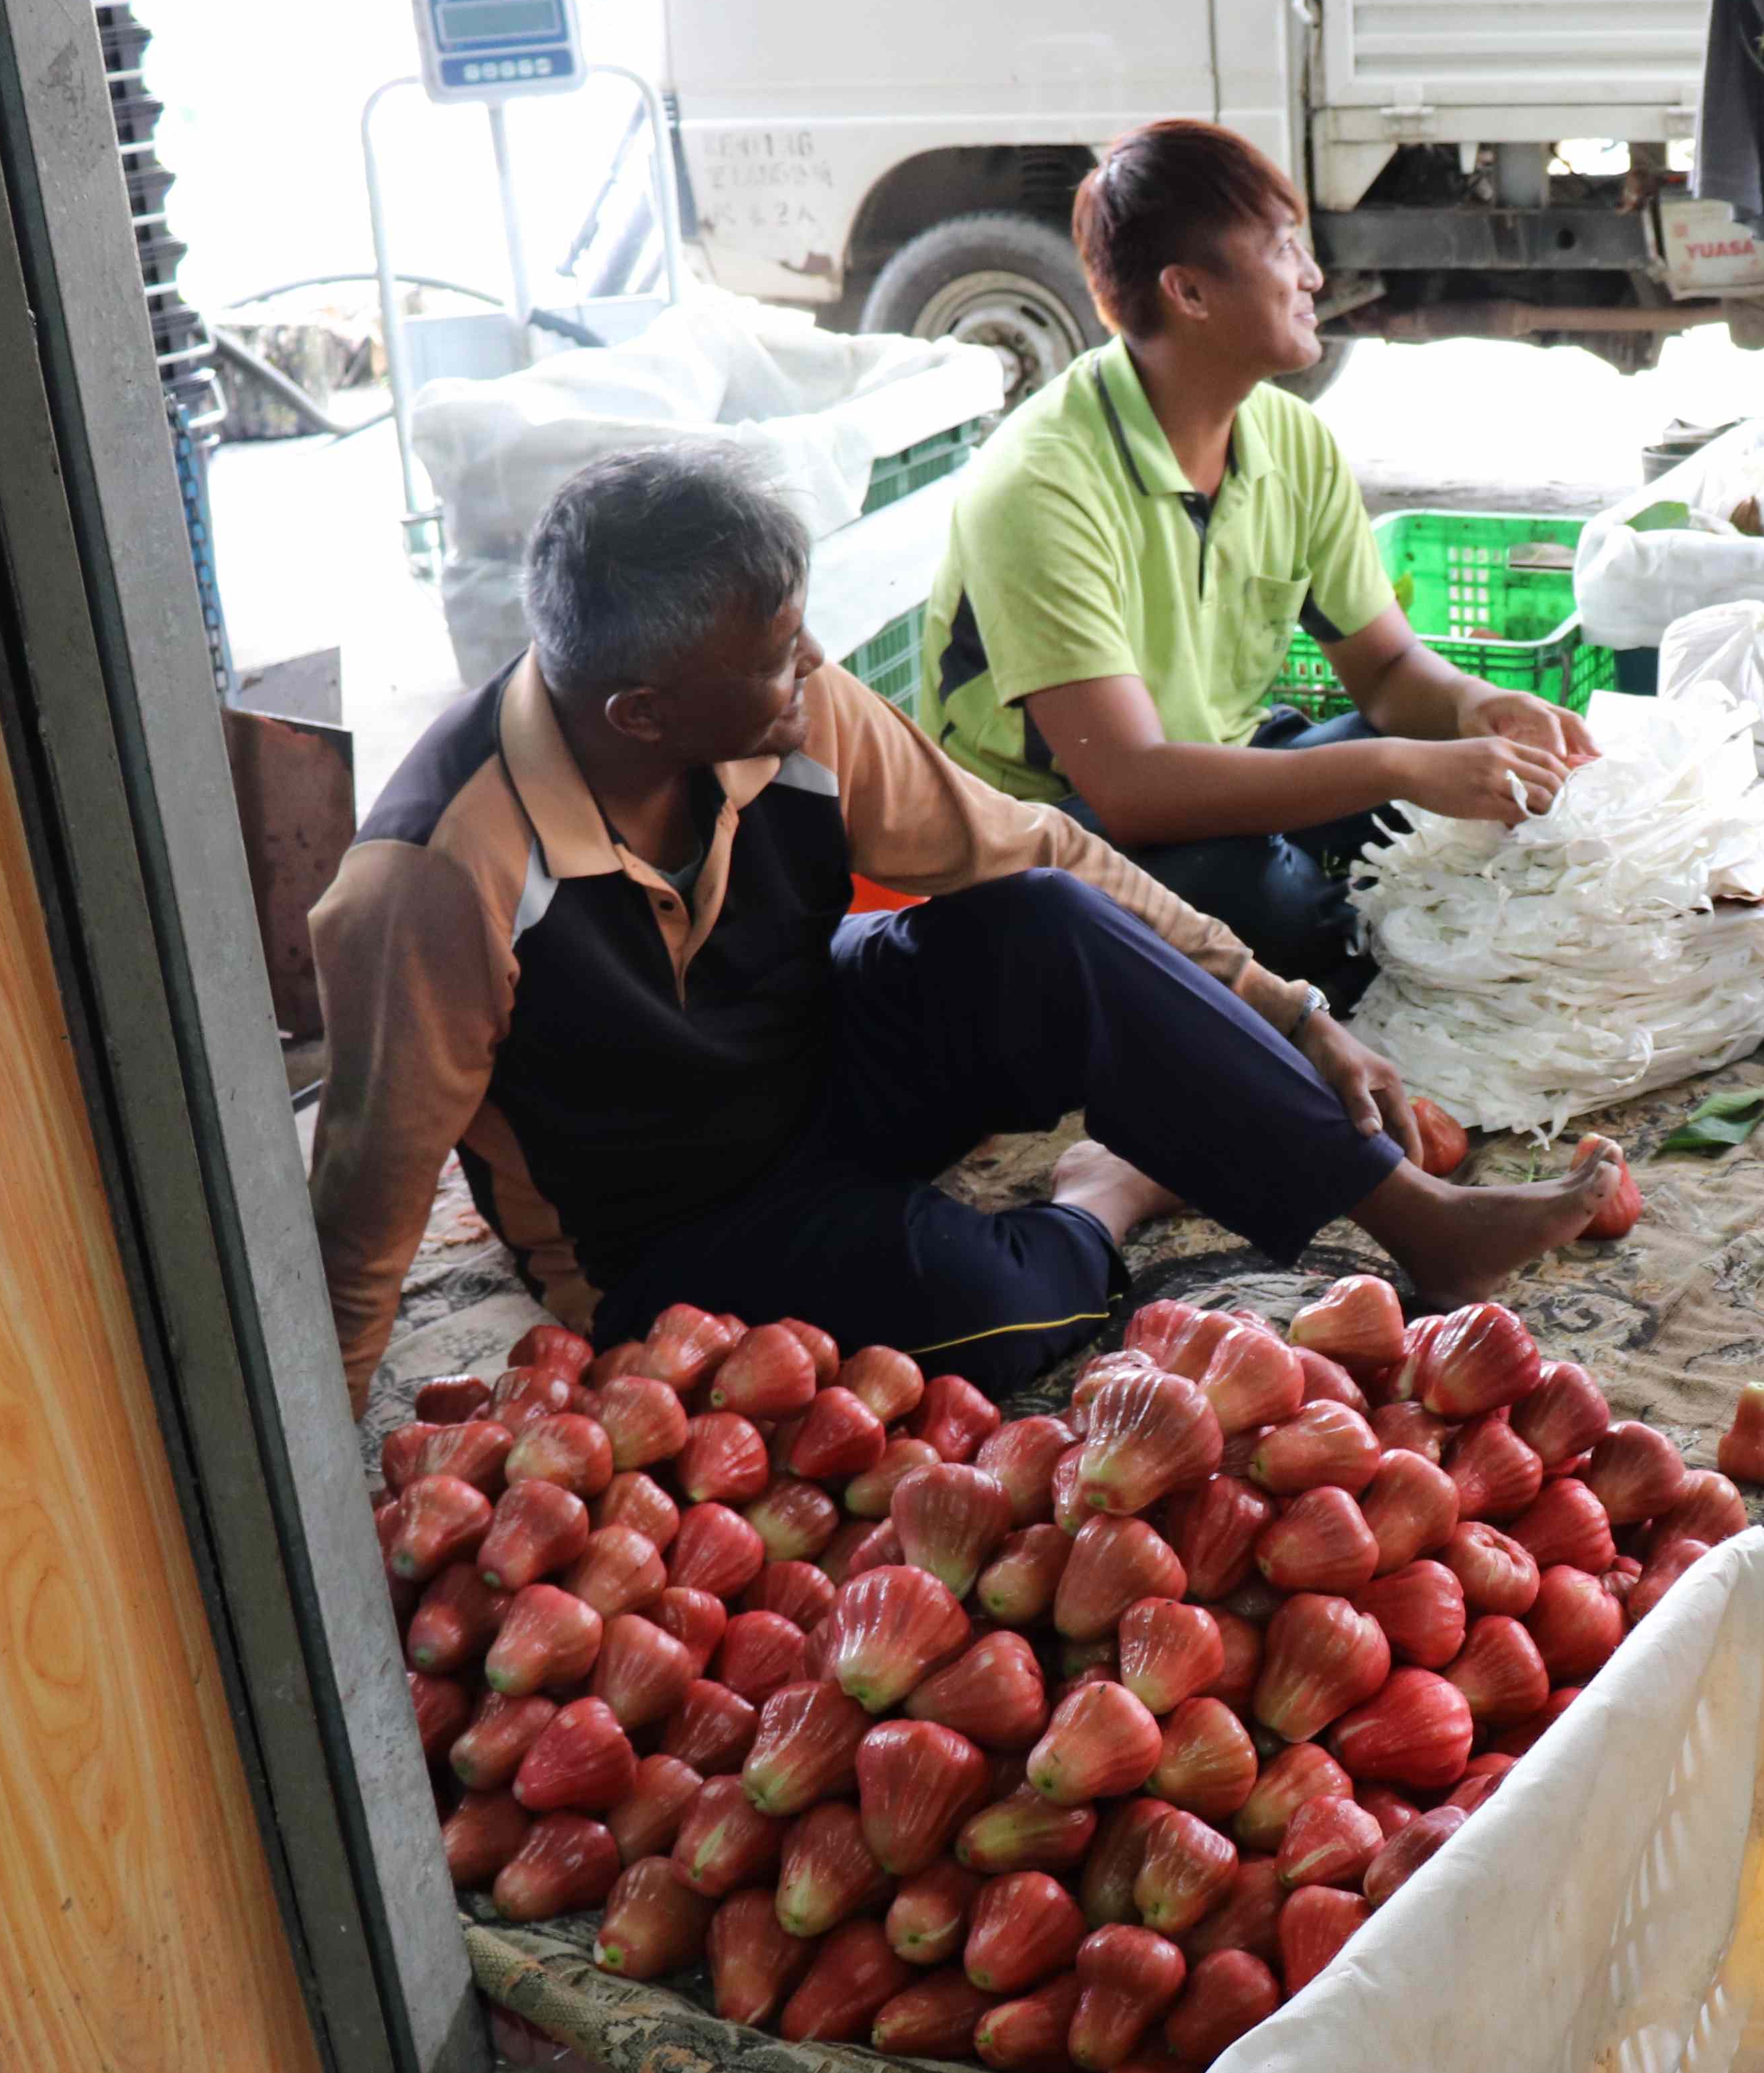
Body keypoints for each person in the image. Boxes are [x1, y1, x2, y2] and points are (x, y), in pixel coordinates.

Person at [305, 447, 1615, 1416]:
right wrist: (330, 1475)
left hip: (819, 1055)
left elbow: (1038, 845)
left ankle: (1418, 1213)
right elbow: (367, 1196)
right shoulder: (434, 877)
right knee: (990, 1316)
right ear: (640, 712)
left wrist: (1288, 1007)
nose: (809, 669)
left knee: (1043, 918)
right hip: (660, 1230)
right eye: (771, 660)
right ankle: (1101, 1193)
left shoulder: (794, 701)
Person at [918, 119, 1594, 997]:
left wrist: (1478, 708)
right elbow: (1131, 789)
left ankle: (1333, 941)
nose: (1314, 277)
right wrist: (1404, 765)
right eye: (1283, 249)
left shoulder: (1289, 439)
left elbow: (1387, 673)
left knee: (1453, 788)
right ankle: (1324, 959)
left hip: (1215, 772)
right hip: (1046, 843)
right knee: (1258, 893)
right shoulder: (1041, 485)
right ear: (1190, 293)